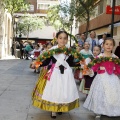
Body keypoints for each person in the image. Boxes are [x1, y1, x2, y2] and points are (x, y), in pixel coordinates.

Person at [32, 31, 81, 119]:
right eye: (60, 38)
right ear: (57, 39)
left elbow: (70, 63)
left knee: (63, 91)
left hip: (66, 74)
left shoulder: (70, 51)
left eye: (65, 38)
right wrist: (37, 64)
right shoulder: (52, 50)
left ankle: (61, 107)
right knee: (54, 91)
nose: (62, 40)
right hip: (55, 73)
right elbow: (46, 61)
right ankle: (53, 110)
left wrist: (80, 64)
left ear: (67, 40)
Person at [83, 38, 120, 118]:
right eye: (107, 44)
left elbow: (118, 67)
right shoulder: (100, 57)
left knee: (112, 94)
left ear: (113, 46)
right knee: (101, 94)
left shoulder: (115, 58)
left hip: (113, 78)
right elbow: (94, 67)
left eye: (111, 44)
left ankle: (111, 110)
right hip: (102, 78)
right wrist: (90, 71)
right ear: (103, 46)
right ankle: (99, 110)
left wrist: (117, 71)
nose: (109, 46)